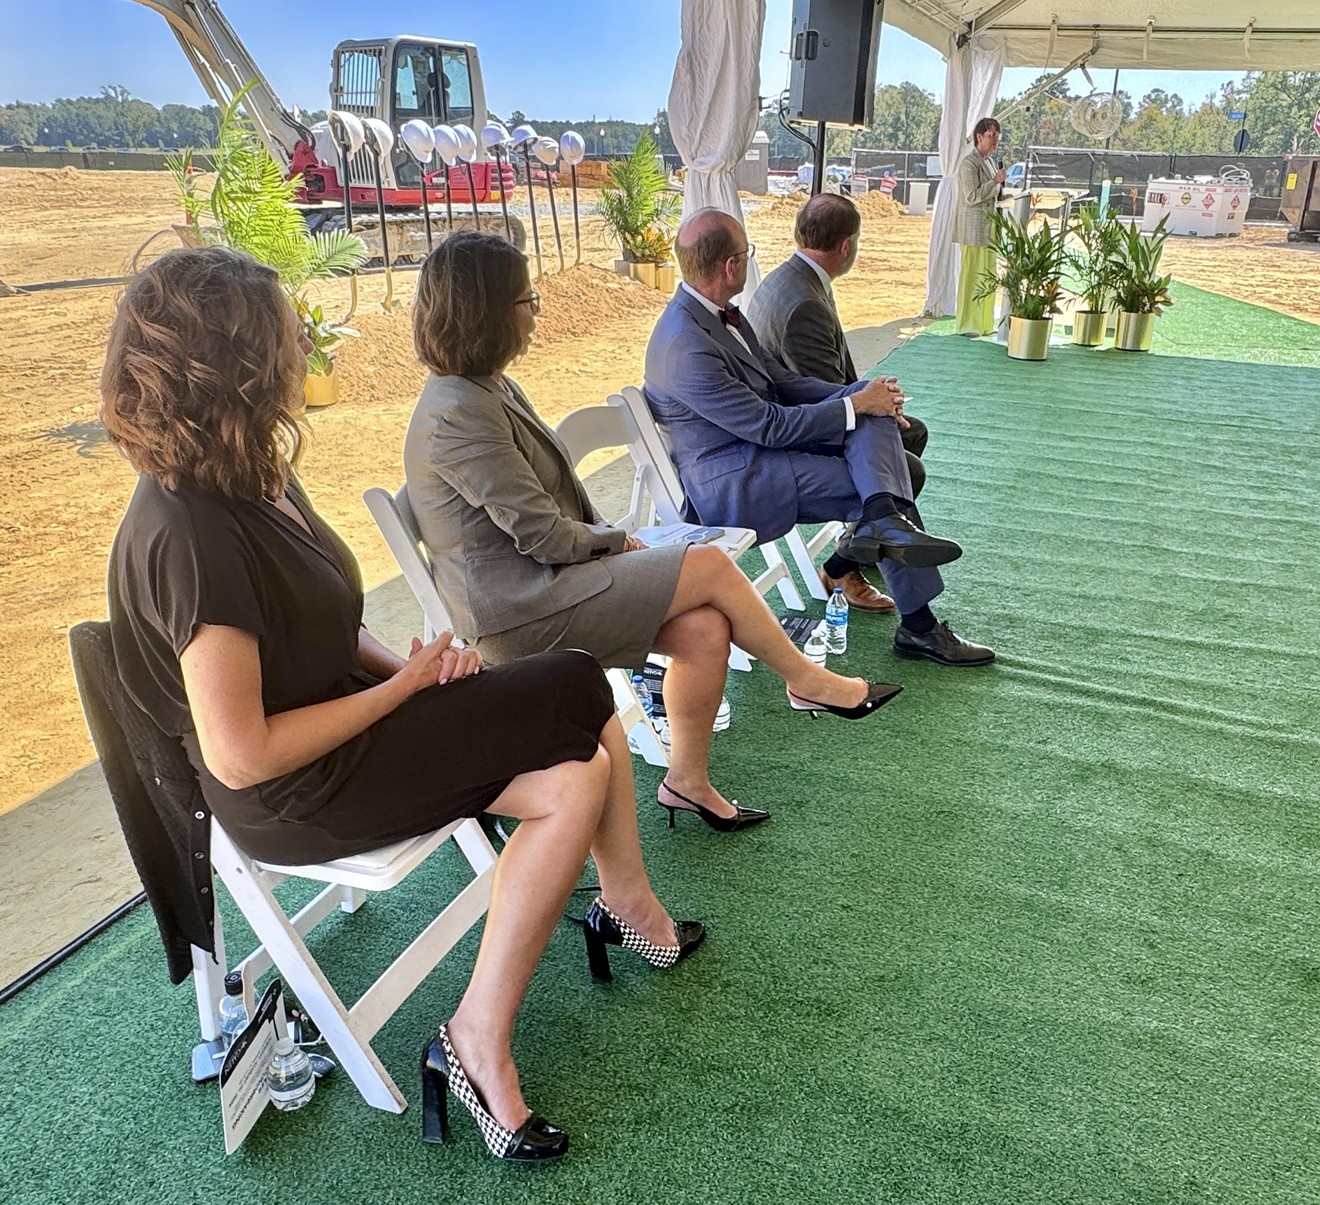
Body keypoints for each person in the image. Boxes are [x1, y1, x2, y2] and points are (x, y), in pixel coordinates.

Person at [101, 246, 705, 1164]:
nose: (305, 342)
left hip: (358, 726)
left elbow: (327, 624)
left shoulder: (249, 467)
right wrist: (402, 689)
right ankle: (600, 926)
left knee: (573, 768)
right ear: (233, 364)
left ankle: (491, 1019)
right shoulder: (186, 534)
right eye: (285, 332)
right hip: (299, 791)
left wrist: (419, 667)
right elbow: (242, 754)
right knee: (577, 684)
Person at [403, 232, 903, 835]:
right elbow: (540, 536)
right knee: (709, 565)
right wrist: (619, 542)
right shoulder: (458, 413)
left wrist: (612, 541)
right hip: (519, 610)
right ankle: (808, 681)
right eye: (525, 299)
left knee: (704, 625)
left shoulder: (484, 387)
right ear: (484, 313)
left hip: (551, 580)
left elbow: (550, 516)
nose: (535, 311)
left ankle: (686, 782)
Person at [644, 208, 994, 668]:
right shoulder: (685, 344)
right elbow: (768, 424)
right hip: (737, 477)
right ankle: (917, 622)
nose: (749, 261)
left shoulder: (719, 314)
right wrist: (855, 405)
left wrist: (862, 395)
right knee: (889, 474)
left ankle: (881, 525)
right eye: (747, 254)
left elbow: (781, 382)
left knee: (881, 437)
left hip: (761, 451)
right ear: (730, 266)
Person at [747, 192, 930, 611]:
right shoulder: (805, 302)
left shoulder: (791, 276)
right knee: (908, 466)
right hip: (796, 429)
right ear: (846, 246)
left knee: (912, 432)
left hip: (798, 407)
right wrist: (875, 404)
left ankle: (868, 544)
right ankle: (843, 565)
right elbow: (826, 393)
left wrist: (879, 400)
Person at [954, 117, 1006, 337]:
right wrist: (994, 182)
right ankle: (968, 324)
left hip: (989, 229)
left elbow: (990, 193)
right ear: (979, 137)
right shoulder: (969, 163)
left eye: (997, 136)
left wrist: (1004, 194)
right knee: (971, 277)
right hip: (973, 229)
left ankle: (984, 322)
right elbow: (972, 196)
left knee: (987, 277)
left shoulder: (989, 161)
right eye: (991, 135)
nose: (994, 141)